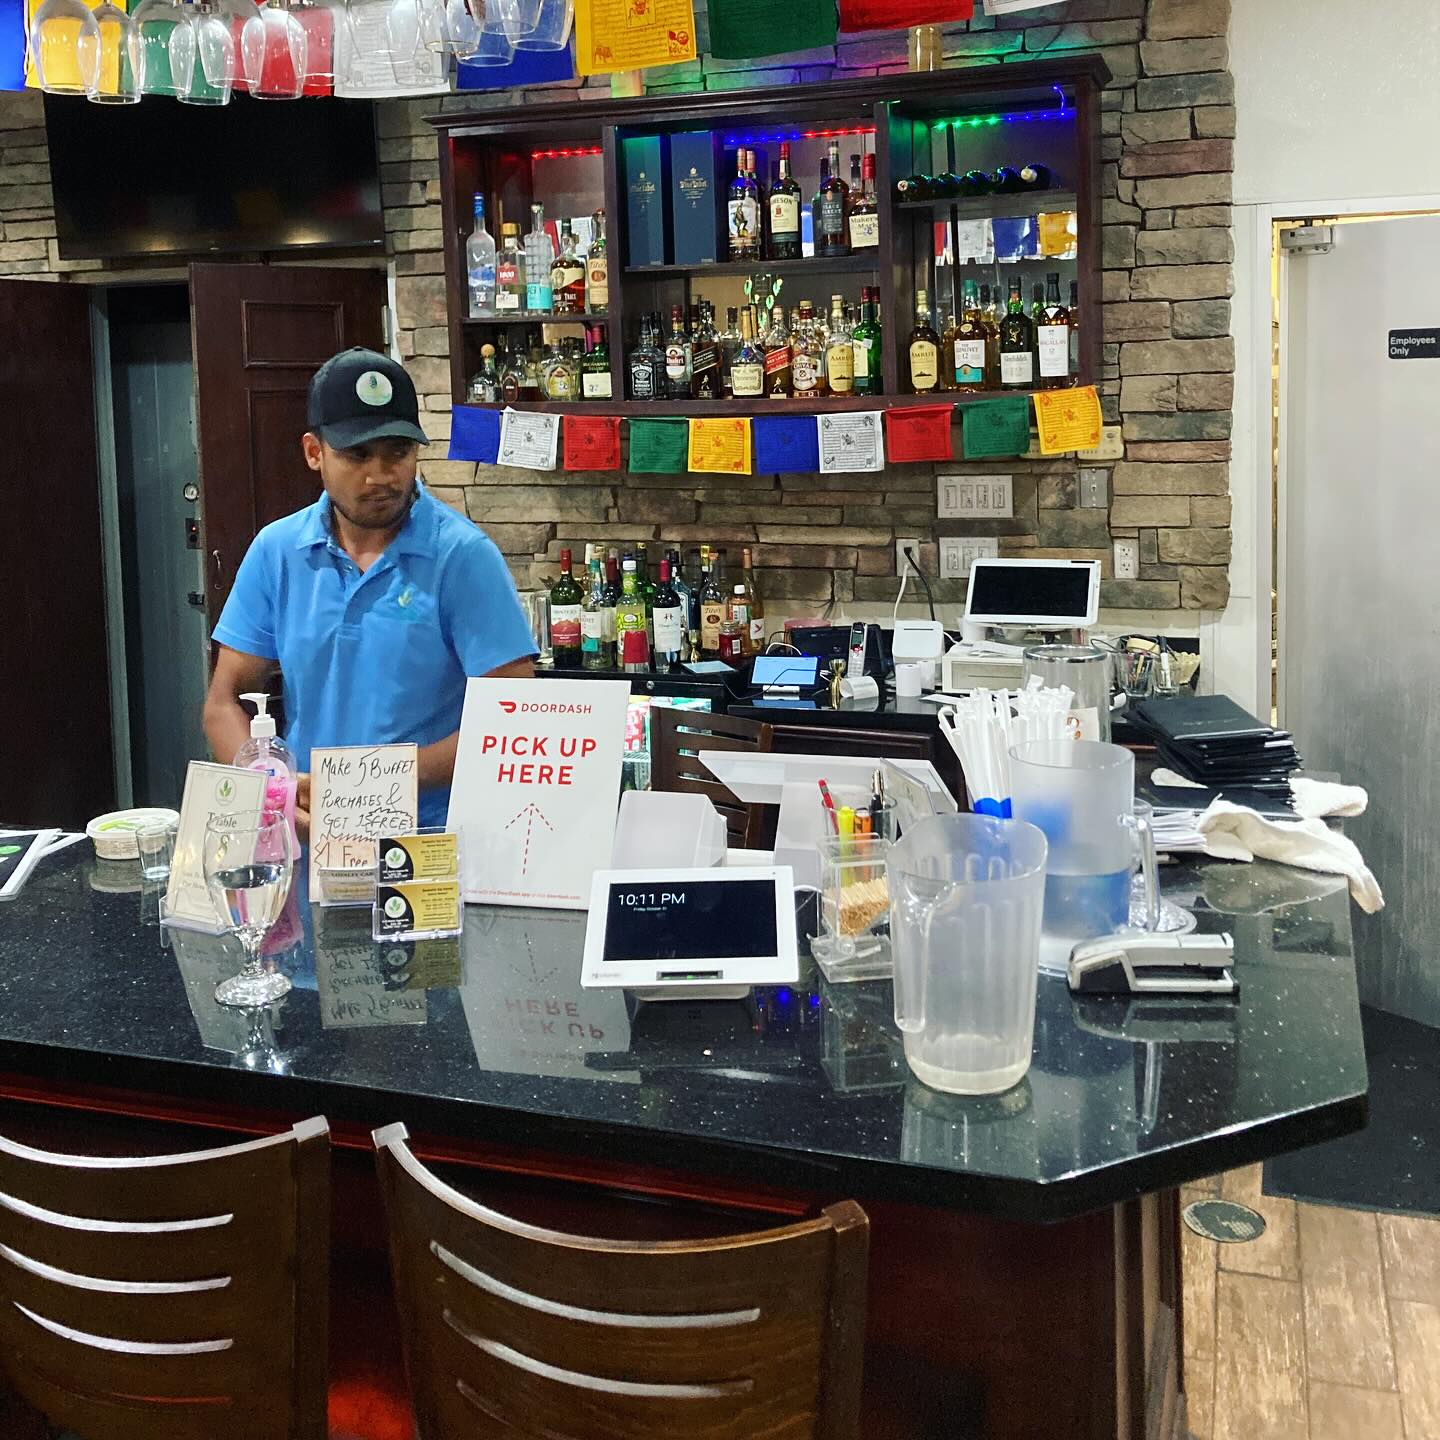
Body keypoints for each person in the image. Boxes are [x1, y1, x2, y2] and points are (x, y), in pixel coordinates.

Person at [203, 347, 535, 832]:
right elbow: (223, 700)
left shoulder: (462, 557)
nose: (380, 476)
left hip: (430, 849)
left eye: (397, 452)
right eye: (357, 455)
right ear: (314, 452)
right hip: (308, 844)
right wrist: (270, 788)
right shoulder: (278, 551)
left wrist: (368, 787)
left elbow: (513, 718)